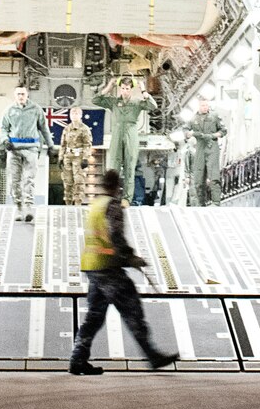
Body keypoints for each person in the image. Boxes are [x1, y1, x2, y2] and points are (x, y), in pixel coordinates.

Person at [67, 168, 177, 375]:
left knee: (94, 317)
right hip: (109, 267)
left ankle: (77, 359)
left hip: (92, 266)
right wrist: (130, 257)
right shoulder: (113, 206)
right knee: (132, 310)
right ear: (118, 186)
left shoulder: (96, 205)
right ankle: (152, 355)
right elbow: (115, 235)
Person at [92, 74, 155, 204]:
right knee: (113, 166)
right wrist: (110, 86)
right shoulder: (114, 102)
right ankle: (111, 196)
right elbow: (96, 100)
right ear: (120, 88)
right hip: (117, 132)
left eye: (127, 88)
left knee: (130, 167)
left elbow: (152, 106)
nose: (125, 91)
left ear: (131, 89)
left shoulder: (137, 102)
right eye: (123, 88)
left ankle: (126, 198)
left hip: (131, 132)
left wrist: (143, 89)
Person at [0, 84, 47, 221]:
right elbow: (3, 128)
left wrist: (50, 146)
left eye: (23, 94)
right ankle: (19, 207)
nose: (21, 96)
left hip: (31, 148)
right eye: (18, 94)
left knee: (29, 179)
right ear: (15, 95)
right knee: (15, 180)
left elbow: (44, 128)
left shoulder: (36, 109)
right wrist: (3, 143)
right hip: (13, 148)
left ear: (27, 95)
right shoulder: (9, 110)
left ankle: (29, 207)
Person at [187, 100, 228, 206]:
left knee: (214, 176)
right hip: (200, 147)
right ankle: (201, 203)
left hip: (212, 146)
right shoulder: (193, 119)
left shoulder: (214, 117)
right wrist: (190, 133)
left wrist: (213, 136)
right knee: (198, 179)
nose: (205, 107)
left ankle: (216, 202)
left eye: (206, 105)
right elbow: (185, 130)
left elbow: (223, 130)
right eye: (202, 105)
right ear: (198, 106)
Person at [58, 107, 94, 205]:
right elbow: (63, 144)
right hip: (68, 156)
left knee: (78, 181)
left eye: (76, 113)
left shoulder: (84, 129)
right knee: (68, 182)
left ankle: (78, 203)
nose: (74, 115)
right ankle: (68, 203)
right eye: (72, 113)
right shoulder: (66, 128)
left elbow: (87, 144)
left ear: (81, 115)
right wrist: (60, 157)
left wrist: (86, 158)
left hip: (79, 157)